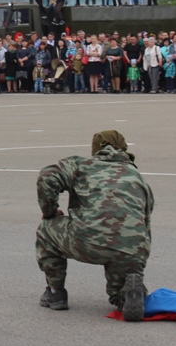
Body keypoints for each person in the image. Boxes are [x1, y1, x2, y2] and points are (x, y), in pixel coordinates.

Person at [34, 131, 153, 321]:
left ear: (95, 150)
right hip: (132, 247)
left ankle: (55, 293)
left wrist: (49, 211)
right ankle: (126, 293)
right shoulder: (136, 176)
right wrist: (137, 262)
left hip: (89, 241)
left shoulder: (80, 165)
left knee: (46, 230)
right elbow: (145, 220)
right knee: (117, 292)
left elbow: (47, 176)